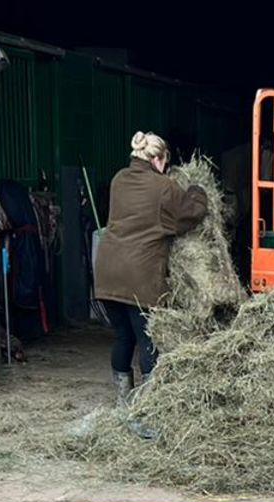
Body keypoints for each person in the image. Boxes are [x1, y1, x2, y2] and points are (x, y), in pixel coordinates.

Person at [92, 130, 208, 403]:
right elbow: (188, 215)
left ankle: (123, 403)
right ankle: (148, 407)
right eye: (165, 163)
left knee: (123, 337)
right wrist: (198, 192)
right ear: (157, 159)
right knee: (147, 340)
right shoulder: (163, 187)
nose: (166, 169)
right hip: (139, 277)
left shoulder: (118, 179)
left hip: (107, 272)